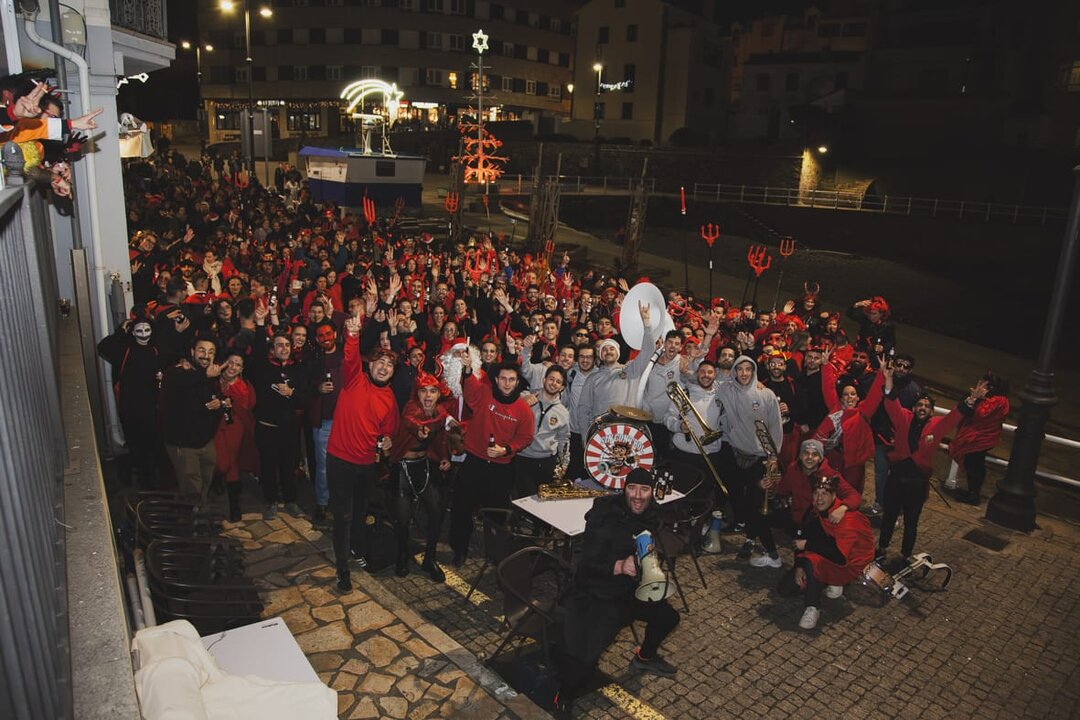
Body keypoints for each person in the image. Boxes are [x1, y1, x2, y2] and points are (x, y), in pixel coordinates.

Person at [556, 468, 680, 715]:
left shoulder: (651, 515)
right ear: (624, 490)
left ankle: (644, 658)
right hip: (599, 591)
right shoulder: (603, 516)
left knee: (669, 618)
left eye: (644, 490)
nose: (637, 496)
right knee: (586, 655)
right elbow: (587, 565)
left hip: (631, 592)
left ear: (651, 492)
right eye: (632, 488)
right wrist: (619, 566)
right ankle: (564, 695)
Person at [877, 366, 983, 561]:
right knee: (889, 516)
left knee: (911, 521)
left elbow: (954, 416)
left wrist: (972, 399)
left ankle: (905, 554)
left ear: (931, 411)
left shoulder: (937, 426)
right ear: (913, 408)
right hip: (897, 478)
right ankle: (882, 548)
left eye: (926, 406)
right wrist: (888, 380)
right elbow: (890, 403)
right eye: (919, 405)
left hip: (917, 483)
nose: (923, 408)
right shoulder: (903, 419)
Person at [326, 315, 400, 592]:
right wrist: (353, 333)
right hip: (340, 460)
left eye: (389, 365)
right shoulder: (354, 378)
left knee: (358, 514)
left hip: (365, 465)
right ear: (370, 365)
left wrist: (387, 444)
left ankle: (356, 549)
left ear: (393, 373)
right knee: (343, 515)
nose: (384, 367)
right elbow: (349, 355)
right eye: (380, 362)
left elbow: (387, 433)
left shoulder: (390, 400)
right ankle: (342, 568)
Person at [449, 359, 535, 565]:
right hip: (474, 462)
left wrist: (506, 450)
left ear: (517, 383)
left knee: (496, 515)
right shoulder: (485, 393)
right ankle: (459, 549)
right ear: (496, 379)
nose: (507, 383)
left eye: (511, 380)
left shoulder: (523, 409)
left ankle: (495, 555)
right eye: (503, 379)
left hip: (501, 468)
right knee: (462, 507)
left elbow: (525, 437)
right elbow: (470, 391)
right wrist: (468, 370)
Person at [717, 355, 784, 565]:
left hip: (759, 457)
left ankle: (750, 539)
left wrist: (774, 455)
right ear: (735, 371)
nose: (744, 373)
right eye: (740, 369)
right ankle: (749, 533)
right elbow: (706, 382)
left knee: (757, 502)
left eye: (748, 369)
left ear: (754, 371)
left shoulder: (766, 394)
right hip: (736, 454)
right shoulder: (726, 390)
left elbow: (775, 426)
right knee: (741, 500)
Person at [786, 475, 875, 630]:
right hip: (828, 551)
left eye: (825, 494)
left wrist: (808, 546)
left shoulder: (846, 520)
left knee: (811, 561)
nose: (819, 499)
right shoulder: (814, 511)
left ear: (834, 496)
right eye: (816, 493)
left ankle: (813, 606)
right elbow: (802, 537)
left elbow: (841, 558)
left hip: (849, 564)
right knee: (787, 589)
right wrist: (799, 565)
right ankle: (825, 580)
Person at [388, 371, 450, 581]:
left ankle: (430, 558)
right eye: (424, 391)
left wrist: (444, 457)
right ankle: (402, 556)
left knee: (436, 511)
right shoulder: (411, 407)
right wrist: (421, 428)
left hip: (423, 465)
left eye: (433, 391)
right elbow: (410, 420)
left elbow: (441, 437)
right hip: (403, 467)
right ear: (418, 393)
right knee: (403, 520)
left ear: (438, 394)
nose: (428, 396)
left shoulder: (440, 411)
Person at [251, 304, 309, 519]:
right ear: (272, 349)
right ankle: (271, 501)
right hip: (267, 427)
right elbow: (257, 351)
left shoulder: (298, 369)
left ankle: (291, 501)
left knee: (289, 467)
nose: (284, 348)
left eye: (287, 345)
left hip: (289, 428)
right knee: (268, 467)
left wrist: (292, 393)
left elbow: (306, 397)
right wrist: (259, 324)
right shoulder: (264, 367)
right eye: (279, 345)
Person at [97, 316, 164, 489]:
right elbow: (103, 346)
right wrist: (120, 331)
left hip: (150, 409)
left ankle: (149, 483)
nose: (143, 334)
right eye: (139, 331)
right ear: (133, 332)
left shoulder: (155, 351)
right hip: (130, 409)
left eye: (147, 330)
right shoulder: (124, 350)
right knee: (136, 446)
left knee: (150, 448)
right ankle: (138, 482)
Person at [161, 338, 224, 504]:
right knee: (191, 491)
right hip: (183, 444)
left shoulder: (211, 377)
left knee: (204, 485)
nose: (206, 355)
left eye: (211, 352)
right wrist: (205, 375)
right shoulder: (178, 372)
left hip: (205, 442)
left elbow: (209, 402)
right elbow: (182, 395)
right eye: (202, 350)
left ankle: (200, 518)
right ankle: (192, 524)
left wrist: (218, 404)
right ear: (192, 352)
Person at [814, 348, 884, 495]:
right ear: (841, 398)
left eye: (853, 394)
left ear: (858, 398)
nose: (849, 397)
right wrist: (825, 365)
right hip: (834, 457)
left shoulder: (864, 411)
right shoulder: (835, 408)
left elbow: (875, 395)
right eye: (846, 394)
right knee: (827, 489)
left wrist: (882, 374)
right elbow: (828, 388)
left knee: (850, 492)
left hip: (854, 462)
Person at [946, 372, 1010, 505]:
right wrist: (975, 398)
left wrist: (979, 398)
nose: (982, 387)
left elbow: (981, 414)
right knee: (972, 465)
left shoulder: (999, 400)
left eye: (986, 385)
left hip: (981, 438)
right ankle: (972, 492)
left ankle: (974, 494)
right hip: (976, 436)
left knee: (975, 466)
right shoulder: (994, 399)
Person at [512, 365, 571, 499]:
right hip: (523, 457)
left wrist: (564, 463)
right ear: (544, 380)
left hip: (546, 462)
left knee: (541, 501)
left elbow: (564, 439)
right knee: (522, 499)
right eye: (551, 379)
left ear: (562, 387)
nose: (554, 383)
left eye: (558, 382)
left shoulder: (562, 412)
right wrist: (522, 403)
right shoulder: (525, 397)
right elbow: (508, 412)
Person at [213, 350, 257, 522]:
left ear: (241, 369)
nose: (233, 367)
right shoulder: (212, 380)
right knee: (221, 463)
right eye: (230, 362)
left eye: (237, 365)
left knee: (231, 464)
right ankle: (217, 480)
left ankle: (234, 506)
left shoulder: (243, 387)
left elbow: (245, 408)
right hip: (215, 427)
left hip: (234, 426)